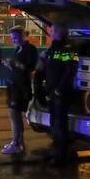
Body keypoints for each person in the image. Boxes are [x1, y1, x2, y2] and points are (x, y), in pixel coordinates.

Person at [36, 23, 79, 166]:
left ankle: (61, 156)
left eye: (53, 30)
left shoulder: (68, 49)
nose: (51, 32)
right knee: (54, 123)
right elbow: (47, 67)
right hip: (52, 91)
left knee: (60, 124)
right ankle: (56, 152)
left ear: (60, 32)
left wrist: (59, 89)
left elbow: (70, 70)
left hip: (61, 93)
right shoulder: (53, 49)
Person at [2, 26, 39, 155]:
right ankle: (18, 142)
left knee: (15, 115)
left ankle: (16, 143)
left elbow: (29, 67)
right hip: (13, 86)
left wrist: (14, 63)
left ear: (23, 36)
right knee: (14, 115)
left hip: (21, 87)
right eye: (12, 38)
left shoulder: (30, 49)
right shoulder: (18, 48)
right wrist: (10, 64)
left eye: (16, 38)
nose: (14, 41)